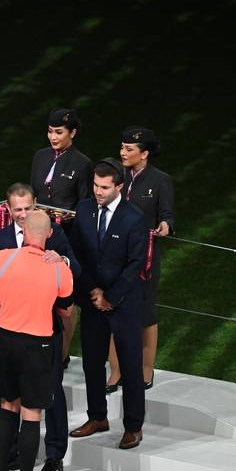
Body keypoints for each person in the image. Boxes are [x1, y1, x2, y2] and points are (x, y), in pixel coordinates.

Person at [0, 211, 74, 471]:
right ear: (49, 235)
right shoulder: (59, 269)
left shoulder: (2, 258)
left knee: (7, 405)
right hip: (38, 345)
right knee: (32, 411)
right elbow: (66, 310)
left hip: (5, 341)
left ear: (23, 230)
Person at [67, 160, 147, 449]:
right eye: (95, 186)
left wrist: (110, 296)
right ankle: (97, 417)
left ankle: (134, 426)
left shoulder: (135, 218)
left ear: (119, 187)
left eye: (104, 187)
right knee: (91, 362)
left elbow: (135, 264)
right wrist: (92, 291)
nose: (98, 192)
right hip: (92, 300)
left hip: (123, 303)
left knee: (130, 366)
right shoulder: (85, 209)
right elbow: (77, 254)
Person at [109, 126, 174, 390]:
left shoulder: (160, 180)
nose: (122, 153)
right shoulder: (116, 176)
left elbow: (167, 215)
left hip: (144, 258)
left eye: (129, 149)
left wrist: (166, 225)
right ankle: (115, 370)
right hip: (114, 254)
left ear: (144, 153)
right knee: (111, 308)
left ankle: (146, 369)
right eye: (122, 147)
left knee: (145, 312)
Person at [29, 106, 92, 365]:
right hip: (38, 238)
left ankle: (62, 354)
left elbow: (85, 205)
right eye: (50, 131)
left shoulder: (83, 163)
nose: (53, 137)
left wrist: (69, 218)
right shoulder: (40, 156)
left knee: (65, 303)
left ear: (72, 133)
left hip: (66, 238)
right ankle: (40, 347)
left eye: (59, 132)